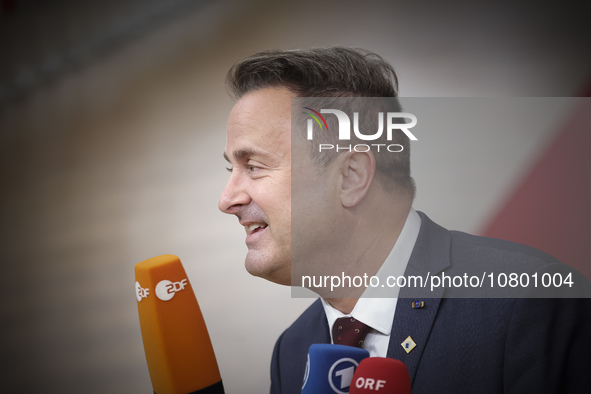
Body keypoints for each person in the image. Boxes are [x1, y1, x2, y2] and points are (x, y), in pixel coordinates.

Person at [218, 47, 591, 393]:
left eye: (253, 166)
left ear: (351, 177)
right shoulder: (291, 349)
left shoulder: (528, 300)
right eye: (231, 168)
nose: (227, 199)